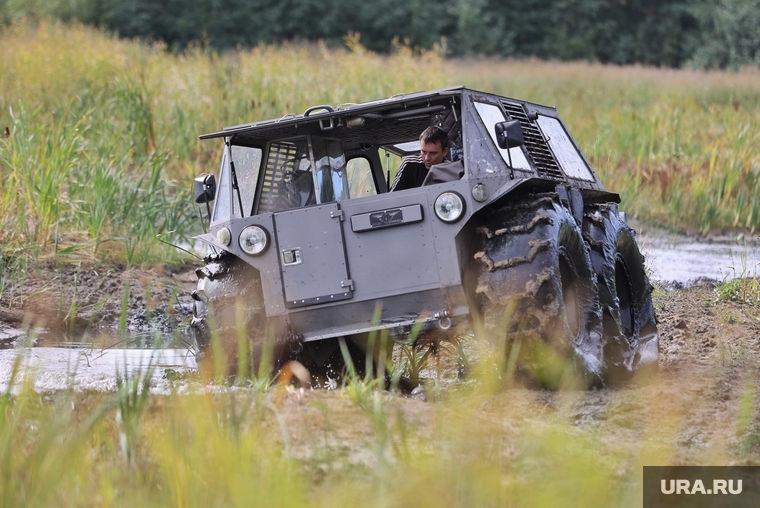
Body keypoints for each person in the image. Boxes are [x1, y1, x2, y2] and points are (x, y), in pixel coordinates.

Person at [390, 126, 449, 191]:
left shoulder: (451, 170)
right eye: (423, 152)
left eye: (433, 153)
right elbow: (392, 196)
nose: (427, 158)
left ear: (444, 152)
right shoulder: (410, 163)